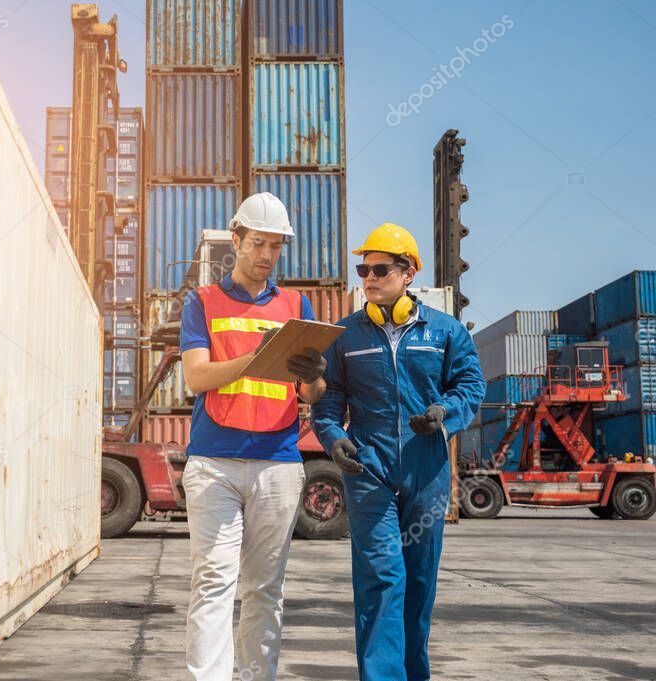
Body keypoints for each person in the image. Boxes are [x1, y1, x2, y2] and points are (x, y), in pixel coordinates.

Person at [311, 223, 485, 681]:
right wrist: (333, 438)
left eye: (379, 268)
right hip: (369, 468)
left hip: (426, 469)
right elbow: (327, 404)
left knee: (419, 580)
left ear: (408, 273)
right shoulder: (344, 335)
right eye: (362, 268)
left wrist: (443, 413)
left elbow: (471, 385)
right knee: (381, 578)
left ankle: (414, 673)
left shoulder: (445, 332)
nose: (367, 277)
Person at [179, 192, 327, 681]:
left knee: (265, 588)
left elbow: (311, 392)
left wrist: (313, 373)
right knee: (214, 582)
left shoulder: (296, 305)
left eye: (275, 247)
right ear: (236, 238)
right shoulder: (201, 303)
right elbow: (196, 379)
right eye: (257, 243)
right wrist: (261, 354)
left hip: (278, 462)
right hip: (215, 463)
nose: (266, 255)